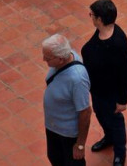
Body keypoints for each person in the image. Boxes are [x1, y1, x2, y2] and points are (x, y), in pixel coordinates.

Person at [81, 0, 127, 166]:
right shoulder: (100, 32)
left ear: (100, 20)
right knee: (101, 115)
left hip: (111, 93)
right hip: (97, 89)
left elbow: (125, 72)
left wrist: (122, 101)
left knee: (116, 123)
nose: (91, 17)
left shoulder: (118, 43)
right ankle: (108, 138)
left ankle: (119, 153)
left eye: (92, 15)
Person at [42, 34, 91, 166]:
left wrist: (80, 144)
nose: (43, 59)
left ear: (60, 59)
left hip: (68, 134)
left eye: (47, 58)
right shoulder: (66, 56)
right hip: (54, 127)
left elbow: (85, 112)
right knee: (54, 158)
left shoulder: (78, 80)